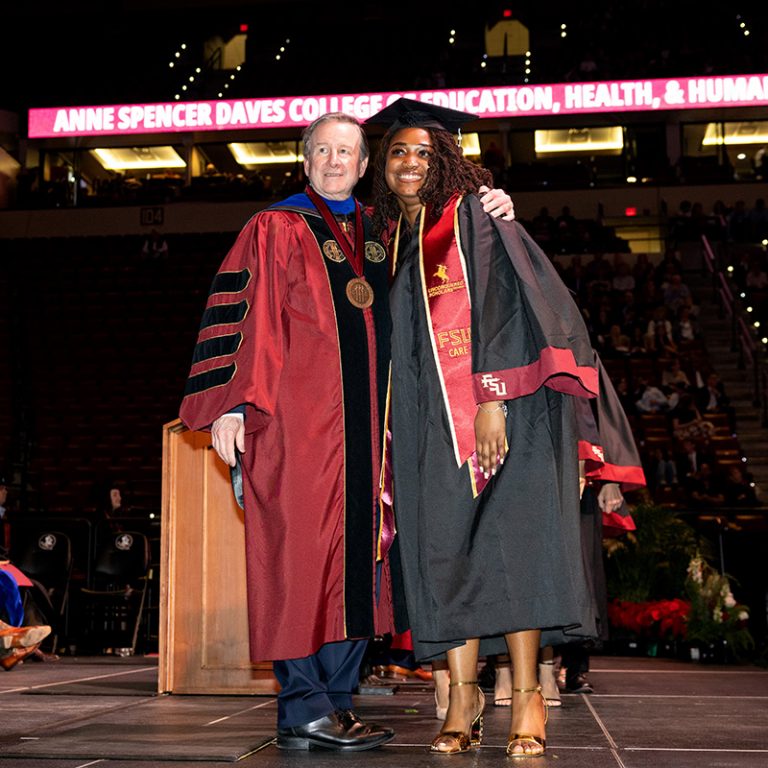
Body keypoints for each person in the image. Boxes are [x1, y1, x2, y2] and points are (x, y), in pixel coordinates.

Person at [179, 111, 514, 752]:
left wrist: (488, 206)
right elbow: (242, 321)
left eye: (348, 152)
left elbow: (452, 268)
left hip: (375, 436)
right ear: (306, 160)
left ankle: (334, 705)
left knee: (361, 566)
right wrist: (230, 406)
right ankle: (302, 704)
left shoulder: (386, 230)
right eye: (323, 150)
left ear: (365, 167)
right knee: (297, 563)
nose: (336, 160)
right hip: (294, 430)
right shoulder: (274, 227)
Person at [366, 98, 598, 758]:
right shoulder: (387, 243)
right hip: (425, 426)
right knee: (447, 553)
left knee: (511, 551)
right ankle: (462, 701)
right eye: (397, 152)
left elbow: (511, 304)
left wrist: (492, 395)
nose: (409, 162)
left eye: (423, 152)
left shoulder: (473, 218)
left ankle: (526, 697)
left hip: (505, 414)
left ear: (447, 162)